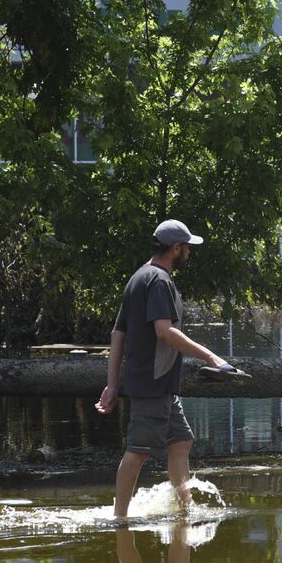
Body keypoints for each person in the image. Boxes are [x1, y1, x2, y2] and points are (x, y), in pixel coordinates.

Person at [96, 219, 245, 518]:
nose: (189, 252)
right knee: (139, 450)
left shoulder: (138, 277)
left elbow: (117, 334)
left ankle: (185, 511)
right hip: (153, 381)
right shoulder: (160, 281)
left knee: (181, 441)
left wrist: (112, 385)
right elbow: (164, 332)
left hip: (159, 383)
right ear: (176, 248)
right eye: (187, 247)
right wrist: (212, 358)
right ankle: (119, 519)